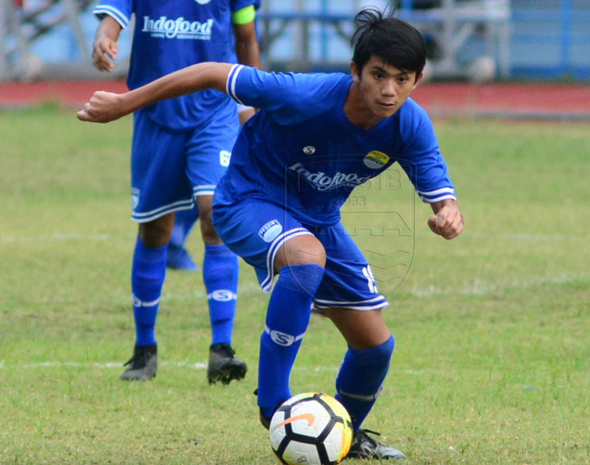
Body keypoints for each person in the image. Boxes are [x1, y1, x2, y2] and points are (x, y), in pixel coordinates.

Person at [79, 8, 464, 459]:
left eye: (402, 79)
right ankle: (273, 404)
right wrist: (124, 104)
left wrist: (448, 213)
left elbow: (441, 193)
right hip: (247, 200)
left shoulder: (410, 124)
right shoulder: (305, 94)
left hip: (318, 219)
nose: (388, 90)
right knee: (305, 260)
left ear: (417, 80)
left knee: (376, 347)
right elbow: (210, 71)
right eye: (378, 75)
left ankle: (343, 437)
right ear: (356, 70)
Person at [91, 0, 262, 384]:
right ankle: (144, 350)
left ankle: (222, 350)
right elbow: (111, 23)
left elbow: (246, 37)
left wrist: (255, 104)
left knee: (216, 215)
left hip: (215, 111)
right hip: (154, 113)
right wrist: (103, 40)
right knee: (155, 230)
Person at [167, 105, 257, 272]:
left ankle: (174, 240)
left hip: (217, 129)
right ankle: (172, 241)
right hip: (179, 124)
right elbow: (244, 109)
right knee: (209, 197)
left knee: (211, 199)